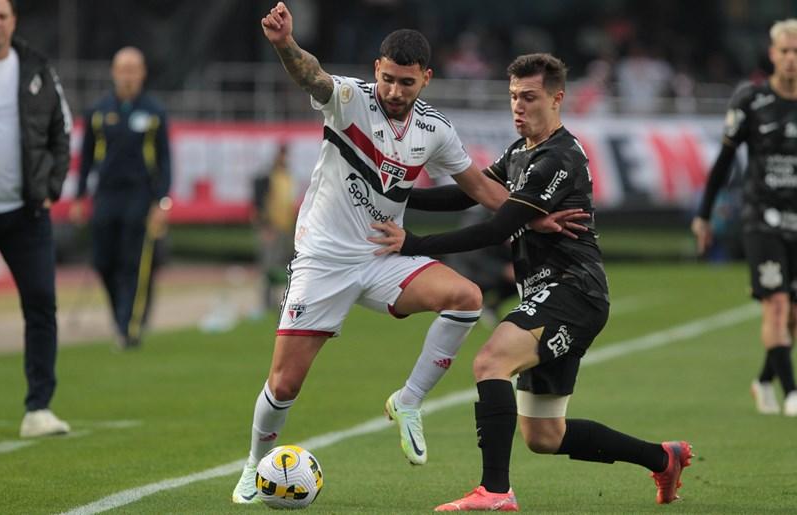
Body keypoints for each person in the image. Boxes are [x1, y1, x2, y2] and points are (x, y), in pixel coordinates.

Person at [231, 2, 583, 504]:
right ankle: (252, 465)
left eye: (407, 82)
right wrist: (285, 44)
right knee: (284, 384)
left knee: (465, 296)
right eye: (389, 79)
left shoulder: (434, 130)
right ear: (377, 70)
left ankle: (409, 400)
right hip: (323, 261)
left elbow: (480, 188)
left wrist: (535, 215)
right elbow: (312, 77)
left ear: (426, 79)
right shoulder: (349, 99)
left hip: (381, 257)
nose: (395, 91)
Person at [371, 53, 692, 511]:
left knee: (489, 361)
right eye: (513, 97)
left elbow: (498, 227)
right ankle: (662, 458)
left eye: (529, 97)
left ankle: (496, 492)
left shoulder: (558, 158)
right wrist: (398, 194)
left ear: (557, 99)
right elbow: (473, 192)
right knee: (545, 435)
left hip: (572, 290)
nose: (518, 107)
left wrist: (414, 243)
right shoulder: (521, 152)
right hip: (546, 291)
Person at [692, 19, 797, 417]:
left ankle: (765, 380)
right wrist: (704, 215)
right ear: (773, 54)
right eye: (785, 51)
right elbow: (723, 163)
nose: (791, 59)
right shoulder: (751, 100)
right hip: (762, 218)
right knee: (776, 304)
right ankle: (792, 391)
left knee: (792, 315)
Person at [0, 0, 71, 437]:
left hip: (26, 212)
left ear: (14, 21)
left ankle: (38, 409)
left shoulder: (37, 70)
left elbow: (62, 130)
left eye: (2, 15)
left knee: (41, 303)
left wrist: (52, 187)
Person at [71, 47, 172, 350]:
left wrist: (162, 201)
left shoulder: (154, 112)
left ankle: (130, 327)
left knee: (134, 263)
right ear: (114, 73)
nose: (128, 76)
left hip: (140, 196)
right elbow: (86, 157)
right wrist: (78, 197)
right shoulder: (99, 112)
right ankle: (120, 314)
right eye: (122, 69)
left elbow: (165, 160)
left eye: (133, 69)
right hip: (106, 196)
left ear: (142, 73)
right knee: (103, 261)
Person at [250, 143, 296, 316]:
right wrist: (264, 226)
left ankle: (280, 301)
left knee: (282, 267)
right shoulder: (269, 176)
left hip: (285, 228)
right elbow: (259, 203)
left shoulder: (287, 176)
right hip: (272, 228)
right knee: (268, 267)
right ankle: (266, 302)